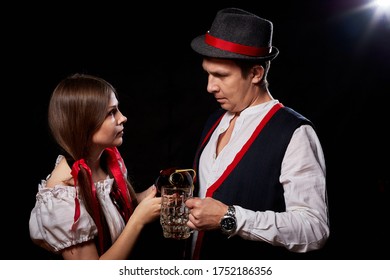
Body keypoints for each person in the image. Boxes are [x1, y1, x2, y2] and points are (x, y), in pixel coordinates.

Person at [185, 7, 330, 259]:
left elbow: (314, 229)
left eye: (221, 75)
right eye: (207, 73)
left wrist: (230, 218)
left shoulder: (294, 132)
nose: (209, 87)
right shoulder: (215, 120)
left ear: (255, 73)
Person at [29, 73, 161, 260]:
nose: (123, 118)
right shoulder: (63, 194)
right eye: (111, 113)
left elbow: (119, 208)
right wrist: (139, 220)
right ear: (84, 123)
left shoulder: (106, 161)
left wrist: (153, 195)